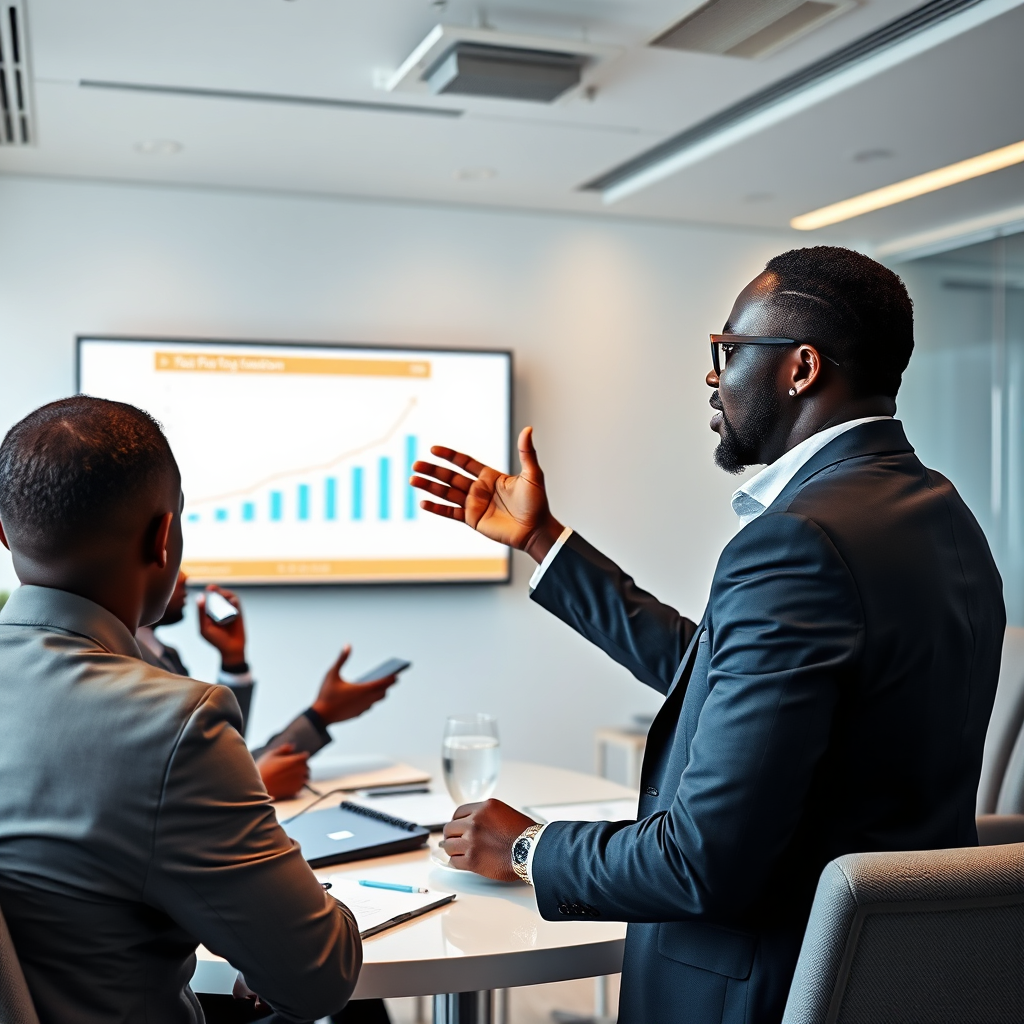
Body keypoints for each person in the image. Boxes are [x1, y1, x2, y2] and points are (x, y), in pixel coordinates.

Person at [410, 246, 1006, 1024]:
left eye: (727, 351)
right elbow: (718, 668)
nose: (711, 376)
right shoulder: (943, 516)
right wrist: (543, 542)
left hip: (761, 985)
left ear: (800, 368)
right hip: (898, 980)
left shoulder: (797, 540)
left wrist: (529, 848)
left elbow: (700, 862)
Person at [0, 396, 361, 1023]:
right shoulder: (168, 724)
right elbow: (317, 980)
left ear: (2, 533)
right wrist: (317, 908)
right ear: (163, 539)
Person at [138, 571, 400, 798]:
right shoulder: (126, 665)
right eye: (172, 554)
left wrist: (234, 663)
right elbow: (163, 797)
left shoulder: (164, 654)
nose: (184, 576)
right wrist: (253, 787)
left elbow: (221, 760)